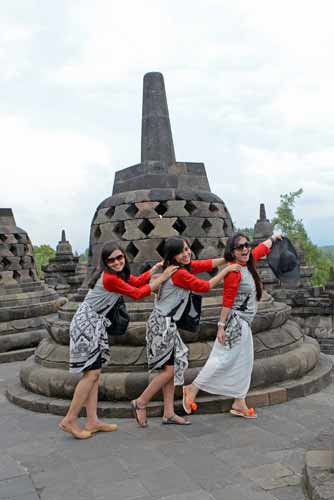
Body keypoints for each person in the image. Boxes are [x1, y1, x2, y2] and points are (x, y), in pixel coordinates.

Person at [59, 241, 177, 439]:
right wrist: (164, 276)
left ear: (124, 257)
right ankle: (70, 419)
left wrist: (155, 269)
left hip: (93, 323)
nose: (116, 262)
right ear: (105, 263)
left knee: (94, 374)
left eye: (119, 257)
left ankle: (92, 420)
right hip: (86, 325)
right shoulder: (109, 278)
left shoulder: (118, 275)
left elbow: (137, 282)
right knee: (91, 373)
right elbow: (138, 294)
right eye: (111, 260)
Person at [131, 236, 240, 427]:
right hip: (162, 325)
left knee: (170, 370)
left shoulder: (178, 268)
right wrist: (227, 270)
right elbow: (204, 286)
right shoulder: (179, 274)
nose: (187, 253)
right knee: (169, 370)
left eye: (188, 249)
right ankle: (140, 402)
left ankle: (168, 413)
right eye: (181, 251)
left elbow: (204, 264)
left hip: (165, 324)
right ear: (173, 256)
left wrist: (226, 259)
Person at [183, 231, 281, 419]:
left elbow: (260, 250)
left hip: (243, 322)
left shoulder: (248, 262)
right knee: (222, 359)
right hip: (236, 323)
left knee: (244, 363)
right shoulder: (234, 271)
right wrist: (221, 326)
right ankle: (192, 388)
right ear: (232, 251)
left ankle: (239, 403)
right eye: (240, 247)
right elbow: (227, 300)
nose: (245, 249)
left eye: (246, 245)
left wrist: (273, 238)